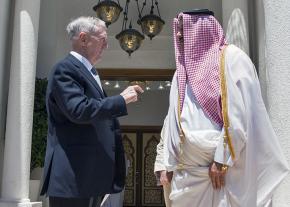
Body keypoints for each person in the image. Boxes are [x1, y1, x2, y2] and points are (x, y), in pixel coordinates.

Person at [154, 9, 289, 207]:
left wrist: (222, 159)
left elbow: (240, 115)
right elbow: (172, 120)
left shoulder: (232, 60)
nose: (179, 35)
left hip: (221, 174)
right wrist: (164, 161)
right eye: (179, 30)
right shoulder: (180, 74)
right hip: (187, 178)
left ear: (201, 29)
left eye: (184, 29)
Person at [40, 16, 143, 207]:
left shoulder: (88, 71)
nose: (106, 45)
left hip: (88, 178)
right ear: (83, 39)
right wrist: (121, 100)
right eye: (102, 39)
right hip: (74, 177)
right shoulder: (65, 69)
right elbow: (79, 110)